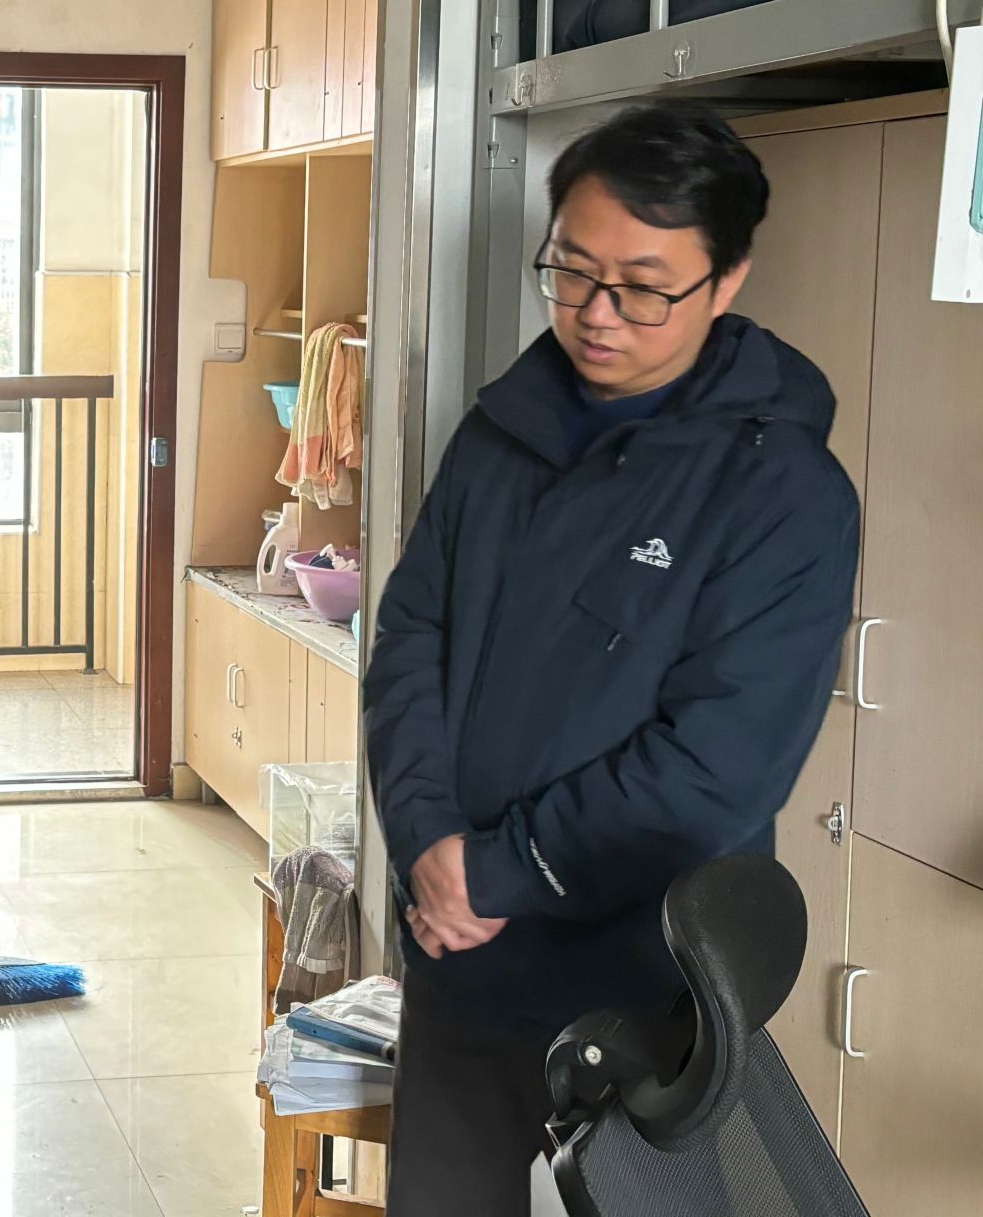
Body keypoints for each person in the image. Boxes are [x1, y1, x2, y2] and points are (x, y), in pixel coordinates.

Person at [365, 103, 860, 1215]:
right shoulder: (500, 432)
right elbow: (410, 639)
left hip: (631, 1004)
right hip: (456, 963)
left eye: (642, 287)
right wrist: (427, 846)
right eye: (573, 271)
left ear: (725, 282)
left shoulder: (781, 494)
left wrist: (490, 875)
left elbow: (713, 770)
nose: (595, 314)